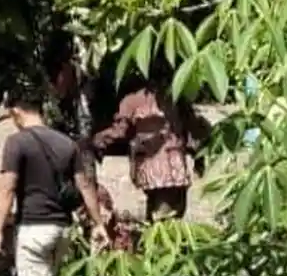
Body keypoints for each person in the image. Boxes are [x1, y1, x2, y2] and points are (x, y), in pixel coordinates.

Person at [0, 86, 108, 276]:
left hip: (33, 227)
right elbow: (85, 186)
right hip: (63, 228)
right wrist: (98, 224)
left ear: (17, 111)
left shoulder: (17, 143)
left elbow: (7, 187)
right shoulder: (66, 143)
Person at [89, 76, 209, 221]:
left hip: (148, 166)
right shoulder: (176, 97)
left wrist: (97, 139)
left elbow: (120, 131)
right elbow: (194, 126)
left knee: (157, 212)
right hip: (173, 165)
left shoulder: (131, 101)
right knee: (168, 216)